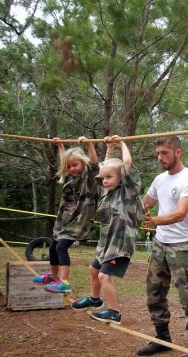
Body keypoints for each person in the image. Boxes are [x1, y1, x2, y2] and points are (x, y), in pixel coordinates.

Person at [136, 136, 188, 357]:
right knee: (154, 293)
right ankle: (163, 338)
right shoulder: (159, 180)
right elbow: (144, 204)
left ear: (177, 152)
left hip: (182, 246)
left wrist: (154, 220)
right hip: (160, 245)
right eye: (158, 153)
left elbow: (180, 213)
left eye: (164, 153)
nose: (159, 157)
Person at [71, 136, 143, 325]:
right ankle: (95, 300)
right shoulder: (106, 192)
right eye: (103, 178)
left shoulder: (127, 191)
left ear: (121, 178)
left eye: (109, 178)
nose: (104, 181)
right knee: (94, 269)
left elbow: (125, 163)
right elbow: (106, 167)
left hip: (120, 244)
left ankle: (114, 312)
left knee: (104, 276)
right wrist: (109, 148)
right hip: (106, 244)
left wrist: (122, 144)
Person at [33, 137, 100, 294]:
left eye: (75, 165)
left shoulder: (89, 178)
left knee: (62, 246)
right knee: (53, 248)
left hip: (80, 219)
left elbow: (95, 163)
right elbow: (65, 162)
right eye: (69, 166)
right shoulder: (70, 177)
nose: (72, 168)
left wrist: (89, 144)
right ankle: (54, 277)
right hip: (65, 218)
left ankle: (64, 282)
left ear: (83, 163)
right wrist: (60, 146)